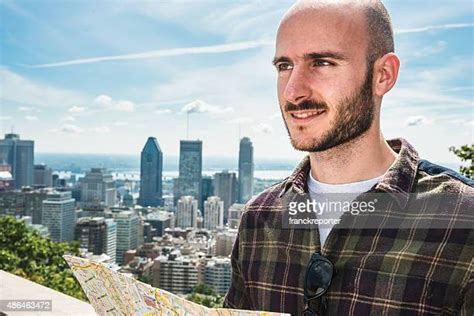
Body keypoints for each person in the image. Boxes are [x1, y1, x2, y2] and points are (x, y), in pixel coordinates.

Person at [223, 0, 473, 315]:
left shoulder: (463, 219)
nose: (292, 91)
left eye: (322, 62)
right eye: (284, 66)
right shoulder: (259, 218)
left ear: (383, 74)